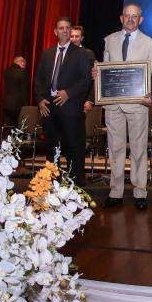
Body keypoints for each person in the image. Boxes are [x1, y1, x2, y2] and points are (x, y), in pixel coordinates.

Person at [99, 4, 152, 210]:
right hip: (113, 105)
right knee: (114, 149)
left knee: (138, 149)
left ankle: (140, 192)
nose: (131, 19)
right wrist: (98, 74)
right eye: (127, 16)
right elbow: (106, 70)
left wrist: (150, 94)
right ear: (121, 18)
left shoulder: (149, 43)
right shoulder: (109, 40)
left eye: (135, 16)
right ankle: (115, 192)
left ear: (141, 20)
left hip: (138, 105)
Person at [34, 17, 92, 186]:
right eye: (61, 28)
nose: (65, 31)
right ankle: (53, 182)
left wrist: (68, 93)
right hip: (48, 107)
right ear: (55, 32)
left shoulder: (81, 53)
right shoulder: (47, 53)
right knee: (51, 147)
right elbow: (38, 79)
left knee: (73, 147)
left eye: (67, 28)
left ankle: (75, 183)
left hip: (71, 106)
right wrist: (39, 100)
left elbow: (86, 80)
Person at [70, 25, 97, 113]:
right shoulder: (62, 53)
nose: (74, 39)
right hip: (64, 99)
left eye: (77, 36)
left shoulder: (88, 54)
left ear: (82, 38)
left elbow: (96, 77)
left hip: (82, 101)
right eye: (72, 36)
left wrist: (90, 100)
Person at [1, 55, 27, 128]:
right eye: (24, 62)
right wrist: (26, 105)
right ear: (20, 62)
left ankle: (6, 135)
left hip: (7, 103)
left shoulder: (7, 71)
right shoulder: (22, 72)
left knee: (8, 125)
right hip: (17, 105)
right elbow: (24, 90)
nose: (25, 64)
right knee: (18, 126)